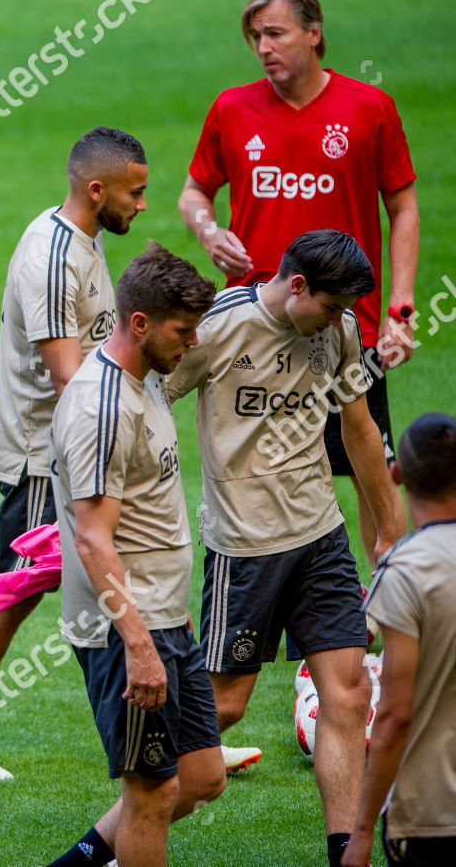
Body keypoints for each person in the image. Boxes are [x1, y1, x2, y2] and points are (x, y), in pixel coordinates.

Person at [165, 230, 397, 867]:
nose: (338, 321)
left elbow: (359, 427)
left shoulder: (339, 329)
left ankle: (347, 859)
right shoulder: (216, 329)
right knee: (225, 705)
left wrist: (391, 531)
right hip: (244, 550)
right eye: (330, 306)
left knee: (348, 697)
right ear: (297, 286)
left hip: (321, 539)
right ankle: (124, 827)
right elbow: (147, 401)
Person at [0, 126, 147, 779]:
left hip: (74, 456)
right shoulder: (53, 260)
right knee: (16, 594)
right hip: (42, 462)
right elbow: (70, 381)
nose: (141, 205)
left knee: (117, 586)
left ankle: (164, 728)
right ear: (97, 189)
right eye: (135, 193)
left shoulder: (86, 238)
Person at [178, 0, 421, 567]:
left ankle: (392, 597)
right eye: (255, 36)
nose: (263, 47)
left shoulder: (367, 108)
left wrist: (400, 309)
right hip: (251, 331)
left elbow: (403, 206)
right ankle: (295, 609)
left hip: (346, 327)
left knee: (369, 464)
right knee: (264, 469)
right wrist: (209, 232)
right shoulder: (231, 109)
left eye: (276, 34)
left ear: (314, 35)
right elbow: (193, 193)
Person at [44, 243, 222, 867]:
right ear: (140, 323)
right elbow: (94, 538)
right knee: (152, 793)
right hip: (126, 629)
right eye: (183, 329)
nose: (192, 341)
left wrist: (171, 619)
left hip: (163, 617)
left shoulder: (146, 378)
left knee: (201, 776)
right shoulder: (101, 406)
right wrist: (140, 642)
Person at [344, 412, 456, 867]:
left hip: (430, 815)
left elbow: (393, 717)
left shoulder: (406, 572)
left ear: (396, 474)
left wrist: (363, 829)